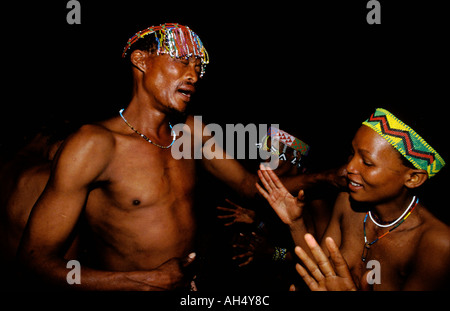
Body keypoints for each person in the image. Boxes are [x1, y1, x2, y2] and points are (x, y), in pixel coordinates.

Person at [16, 23, 340, 291]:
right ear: (141, 60)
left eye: (198, 67)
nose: (194, 75)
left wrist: (328, 178)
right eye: (183, 60)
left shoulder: (192, 132)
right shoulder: (95, 144)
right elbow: (34, 261)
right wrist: (145, 281)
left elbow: (248, 185)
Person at [257, 107, 450, 290]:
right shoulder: (347, 203)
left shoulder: (436, 244)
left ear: (413, 178)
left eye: (367, 162)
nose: (349, 167)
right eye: (352, 153)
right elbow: (319, 271)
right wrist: (295, 223)